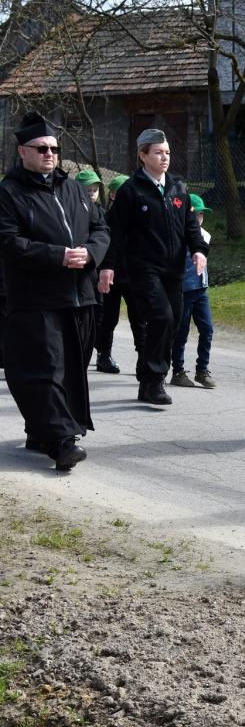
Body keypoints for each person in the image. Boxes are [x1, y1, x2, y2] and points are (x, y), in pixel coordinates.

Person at [0, 112, 109, 470]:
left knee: (72, 368)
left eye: (54, 148)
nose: (50, 154)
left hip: (79, 295)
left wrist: (90, 253)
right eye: (42, 148)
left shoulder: (74, 189)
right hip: (35, 298)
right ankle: (62, 441)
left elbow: (100, 228)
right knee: (46, 368)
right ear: (22, 152)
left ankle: (40, 431)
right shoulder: (9, 193)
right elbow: (8, 241)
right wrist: (57, 256)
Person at [100, 130, 208, 406]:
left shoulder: (178, 188)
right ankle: (154, 381)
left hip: (173, 270)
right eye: (158, 152)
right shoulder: (131, 190)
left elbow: (190, 226)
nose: (164, 157)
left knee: (174, 321)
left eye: (167, 152)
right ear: (143, 155)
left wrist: (198, 250)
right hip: (143, 269)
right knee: (162, 317)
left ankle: (147, 374)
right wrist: (108, 265)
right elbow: (115, 231)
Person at [93, 174, 137, 374]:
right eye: (122, 193)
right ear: (112, 195)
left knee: (139, 317)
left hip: (135, 275)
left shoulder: (139, 218)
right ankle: (104, 355)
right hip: (110, 275)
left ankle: (145, 357)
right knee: (108, 317)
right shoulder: (106, 219)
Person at [171, 194, 216, 389]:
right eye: (195, 214)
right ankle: (178, 371)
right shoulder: (178, 235)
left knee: (207, 329)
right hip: (184, 290)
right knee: (181, 332)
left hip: (201, 290)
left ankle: (202, 370)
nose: (199, 219)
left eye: (201, 215)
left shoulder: (204, 235)